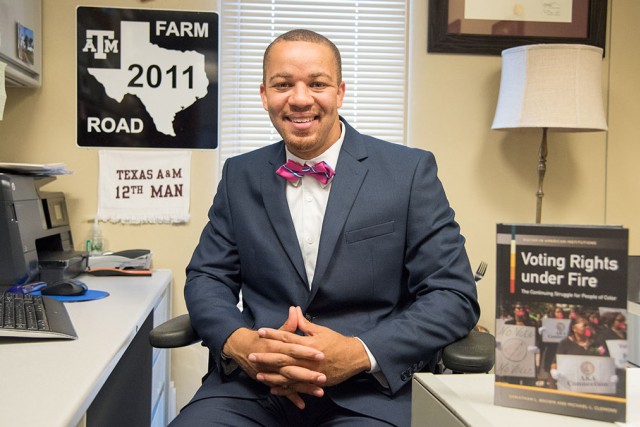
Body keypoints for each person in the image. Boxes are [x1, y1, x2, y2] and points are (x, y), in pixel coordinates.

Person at [172, 29, 480, 427]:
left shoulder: (408, 173)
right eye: (283, 85)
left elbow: (453, 294)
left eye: (317, 83)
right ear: (265, 95)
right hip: (253, 388)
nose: (300, 99)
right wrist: (240, 342)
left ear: (339, 92)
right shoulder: (239, 175)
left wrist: (358, 352)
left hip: (368, 394)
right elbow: (207, 277)